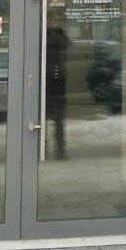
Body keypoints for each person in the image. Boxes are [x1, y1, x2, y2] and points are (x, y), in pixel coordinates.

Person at [45, 23, 69, 158]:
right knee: (40, 120)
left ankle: (60, 151)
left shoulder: (58, 35)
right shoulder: (40, 33)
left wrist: (58, 31)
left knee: (58, 120)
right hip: (44, 81)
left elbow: (66, 45)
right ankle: (42, 150)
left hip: (56, 81)